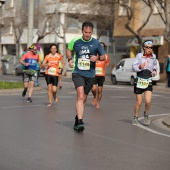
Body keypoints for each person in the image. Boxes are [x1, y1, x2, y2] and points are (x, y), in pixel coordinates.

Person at [66, 21, 106, 132]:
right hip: (78, 72)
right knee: (80, 95)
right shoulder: (76, 41)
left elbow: (103, 57)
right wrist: (69, 59)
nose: (87, 34)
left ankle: (77, 117)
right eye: (85, 32)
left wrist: (97, 58)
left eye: (89, 32)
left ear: (92, 32)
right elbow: (69, 49)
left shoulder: (96, 43)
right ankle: (80, 121)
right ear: (82, 31)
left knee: (83, 98)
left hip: (90, 74)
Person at [132, 40, 157, 126]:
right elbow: (133, 67)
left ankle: (146, 113)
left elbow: (154, 65)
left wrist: (154, 70)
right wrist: (140, 66)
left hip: (148, 79)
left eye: (151, 47)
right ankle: (135, 117)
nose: (149, 49)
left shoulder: (153, 56)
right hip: (139, 79)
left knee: (148, 101)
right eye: (148, 47)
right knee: (139, 102)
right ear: (144, 48)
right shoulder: (139, 56)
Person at [91, 42, 110, 108]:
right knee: (93, 89)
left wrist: (107, 65)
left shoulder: (106, 56)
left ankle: (98, 102)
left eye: (102, 46)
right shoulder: (94, 56)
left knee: (100, 90)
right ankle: (94, 97)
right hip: (94, 74)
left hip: (101, 75)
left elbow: (107, 64)